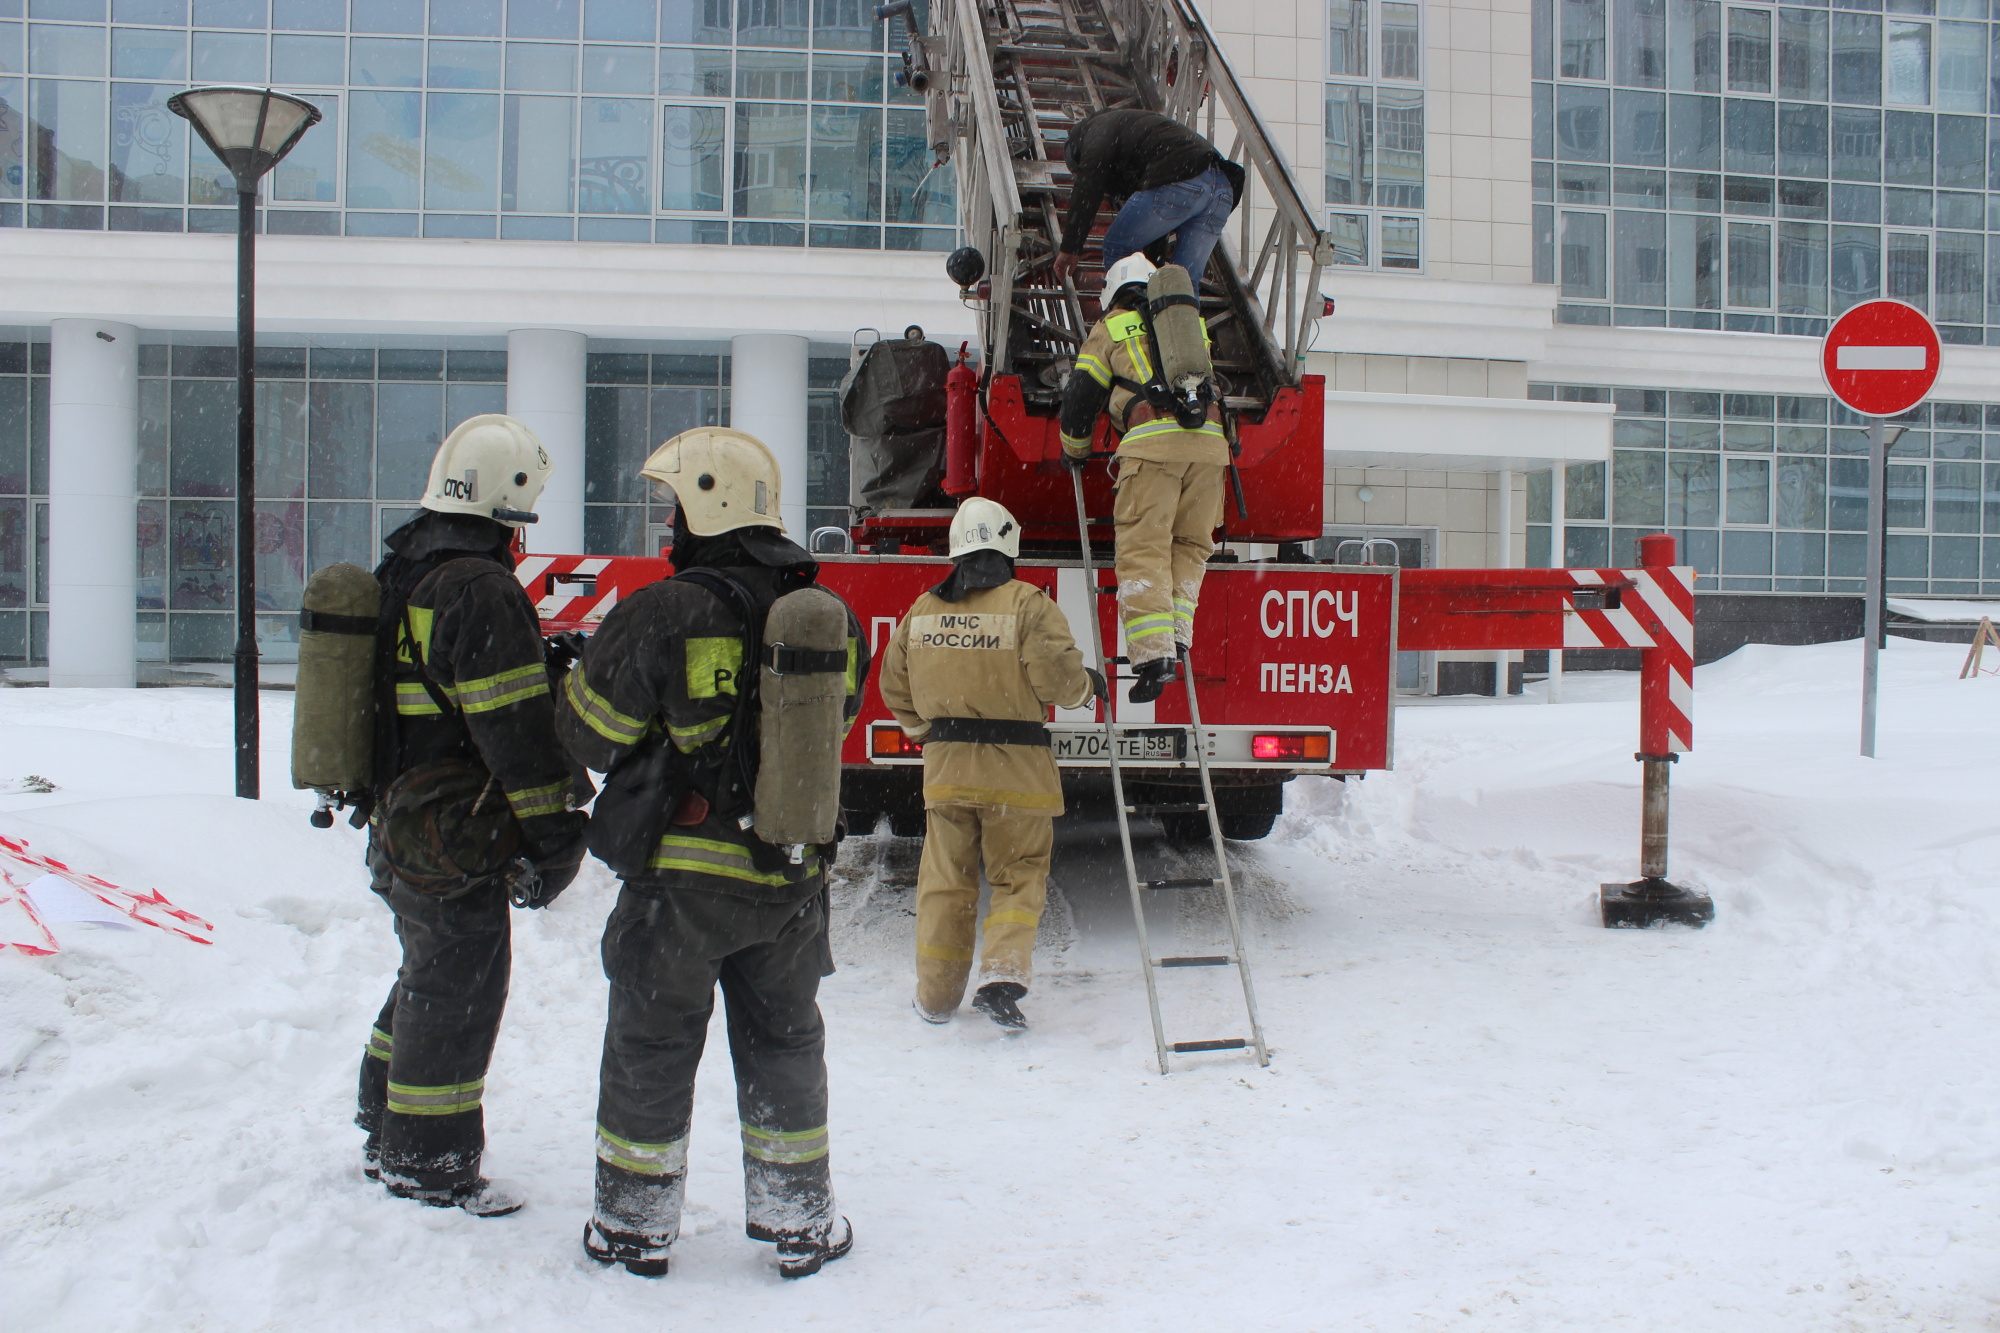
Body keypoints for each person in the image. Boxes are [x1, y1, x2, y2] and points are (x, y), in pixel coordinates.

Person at [558, 427, 868, 1280]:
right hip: (788, 879)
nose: (667, 522)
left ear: (706, 501)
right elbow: (826, 728)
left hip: (682, 886)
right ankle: (800, 1220)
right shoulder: (826, 613)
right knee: (784, 1041)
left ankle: (631, 1227)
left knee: (651, 1045)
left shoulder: (666, 609)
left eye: (674, 504)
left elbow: (589, 732)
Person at [355, 414, 589, 1217]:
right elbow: (517, 736)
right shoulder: (480, 588)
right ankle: (427, 1159)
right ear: (510, 498)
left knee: (427, 968)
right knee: (459, 982)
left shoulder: (406, 569)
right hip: (451, 826)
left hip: (400, 812)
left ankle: (380, 1117)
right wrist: (559, 834)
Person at [877, 498, 1103, 1030]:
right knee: (1017, 878)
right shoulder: (1028, 604)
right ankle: (1001, 976)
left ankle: (935, 998)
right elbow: (1060, 683)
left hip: (947, 774)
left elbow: (893, 686)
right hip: (1018, 774)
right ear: (1008, 544)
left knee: (945, 884)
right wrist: (1088, 685)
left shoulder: (922, 610)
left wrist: (931, 736)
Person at [1058, 253, 1229, 702]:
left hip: (1153, 448)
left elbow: (1081, 397)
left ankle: (1153, 659)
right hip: (1211, 447)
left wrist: (1074, 451)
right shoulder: (1188, 324)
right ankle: (1176, 637)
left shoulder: (1111, 325)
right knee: (1190, 546)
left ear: (1113, 290)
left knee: (1144, 547)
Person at [1049, 107, 1244, 288]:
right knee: (1182, 280)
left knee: (1118, 246)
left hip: (1184, 178)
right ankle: (1180, 322)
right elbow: (1157, 226)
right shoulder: (1136, 131)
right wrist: (1154, 263)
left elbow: (1089, 184)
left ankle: (1129, 321)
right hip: (1222, 188)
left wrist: (1070, 249)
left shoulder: (1096, 131)